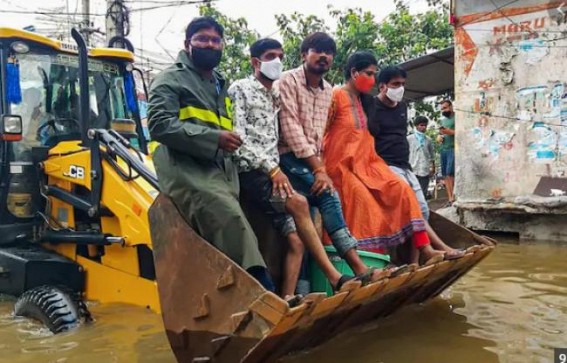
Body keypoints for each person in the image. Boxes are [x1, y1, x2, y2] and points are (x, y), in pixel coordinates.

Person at [147, 17, 273, 291]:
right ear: (187, 44)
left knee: (251, 218)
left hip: (219, 171)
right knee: (231, 220)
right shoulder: (170, 79)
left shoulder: (219, 85)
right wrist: (213, 139)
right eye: (202, 39)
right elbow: (159, 126)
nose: (210, 45)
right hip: (184, 167)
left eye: (216, 40)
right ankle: (264, 292)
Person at [229, 38, 353, 297]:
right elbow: (237, 139)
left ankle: (288, 298)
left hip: (275, 170)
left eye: (279, 56)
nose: (276, 62)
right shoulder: (240, 88)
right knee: (299, 203)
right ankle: (336, 276)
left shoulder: (275, 94)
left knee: (296, 239)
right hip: (252, 171)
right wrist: (273, 169)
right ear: (255, 62)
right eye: (270, 56)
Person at [277, 33, 390, 283]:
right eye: (317, 50)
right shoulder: (287, 81)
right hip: (286, 158)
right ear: (303, 55)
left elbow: (321, 136)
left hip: (312, 163)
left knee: (317, 214)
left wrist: (320, 168)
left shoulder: (327, 90)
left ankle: (318, 285)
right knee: (328, 197)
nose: (324, 56)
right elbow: (290, 129)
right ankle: (357, 269)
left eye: (329, 52)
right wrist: (319, 169)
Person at [323, 51, 444, 265]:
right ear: (354, 72)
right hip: (340, 166)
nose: (372, 79)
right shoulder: (335, 95)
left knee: (402, 190)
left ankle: (425, 249)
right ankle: (371, 262)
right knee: (362, 200)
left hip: (368, 164)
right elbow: (320, 132)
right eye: (369, 74)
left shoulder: (365, 102)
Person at [369, 66, 464, 260]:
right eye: (396, 84)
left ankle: (414, 261)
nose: (400, 88)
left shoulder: (402, 106)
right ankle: (440, 247)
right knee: (412, 209)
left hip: (405, 165)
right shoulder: (371, 107)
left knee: (422, 210)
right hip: (385, 166)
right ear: (382, 86)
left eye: (403, 84)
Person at [407, 116, 435, 199]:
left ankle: (421, 210)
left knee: (423, 193)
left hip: (424, 169)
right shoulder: (409, 139)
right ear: (416, 126)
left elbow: (431, 155)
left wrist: (432, 168)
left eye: (425, 125)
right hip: (412, 169)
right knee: (412, 192)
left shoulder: (428, 140)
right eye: (421, 125)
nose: (424, 127)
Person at [438, 99, 455, 206]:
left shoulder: (457, 118)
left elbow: (463, 132)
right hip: (443, 148)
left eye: (445, 107)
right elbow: (441, 133)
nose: (444, 110)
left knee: (450, 173)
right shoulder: (443, 120)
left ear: (451, 106)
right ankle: (450, 198)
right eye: (442, 109)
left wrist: (450, 132)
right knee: (445, 175)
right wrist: (439, 137)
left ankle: (454, 197)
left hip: (453, 148)